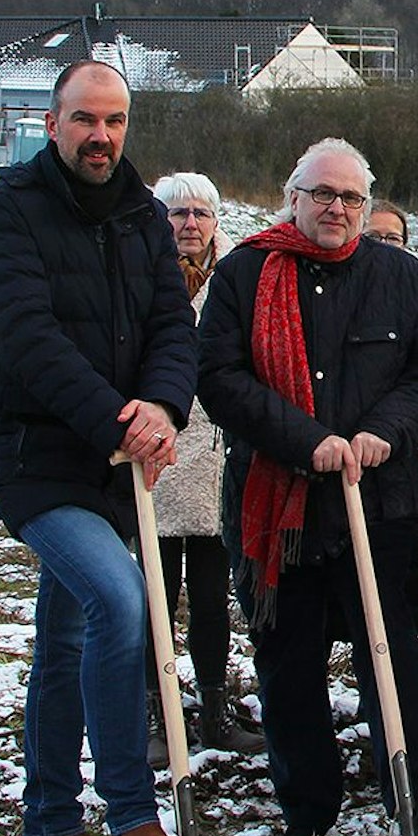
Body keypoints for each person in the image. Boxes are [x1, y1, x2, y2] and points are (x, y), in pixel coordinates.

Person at [196, 137, 418, 836]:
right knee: (287, 659)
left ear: (366, 205)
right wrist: (302, 439)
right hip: (275, 504)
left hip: (380, 503)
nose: (336, 208)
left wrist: (385, 430)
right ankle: (306, 808)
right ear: (293, 199)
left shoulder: (403, 277)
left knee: (394, 652)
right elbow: (220, 378)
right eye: (323, 194)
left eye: (351, 197)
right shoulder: (245, 274)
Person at [0, 59, 191, 836]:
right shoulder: (6, 213)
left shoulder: (140, 215)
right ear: (53, 122)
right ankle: (133, 815)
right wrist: (119, 421)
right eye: (86, 120)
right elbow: (24, 338)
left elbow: (173, 324)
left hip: (114, 457)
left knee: (63, 636)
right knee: (118, 597)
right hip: (34, 452)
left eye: (116, 121)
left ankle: (51, 823)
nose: (102, 137)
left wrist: (162, 407)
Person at [141, 172, 266, 764]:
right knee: (156, 595)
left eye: (200, 214)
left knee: (215, 593)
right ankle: (157, 711)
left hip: (216, 460)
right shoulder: (143, 281)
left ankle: (214, 707)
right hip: (156, 457)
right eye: (177, 214)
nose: (189, 224)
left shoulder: (232, 284)